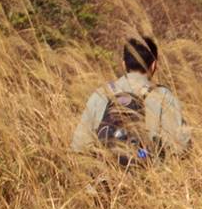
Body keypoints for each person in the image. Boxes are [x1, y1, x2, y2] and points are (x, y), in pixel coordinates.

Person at [70, 35, 191, 166]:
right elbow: (180, 148)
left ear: (123, 64)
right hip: (150, 173)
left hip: (107, 173)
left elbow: (79, 146)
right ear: (154, 65)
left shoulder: (101, 94)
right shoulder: (163, 95)